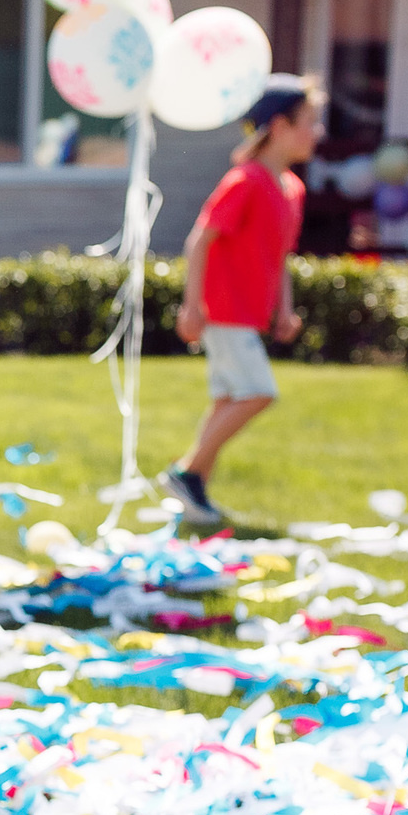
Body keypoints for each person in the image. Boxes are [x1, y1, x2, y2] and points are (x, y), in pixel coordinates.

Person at [162, 74, 323, 533]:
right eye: (309, 122)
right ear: (279, 125)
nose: (317, 133)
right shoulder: (246, 180)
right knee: (258, 392)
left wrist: (284, 309)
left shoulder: (292, 189)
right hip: (224, 311)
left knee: (228, 400)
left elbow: (280, 257)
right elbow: (200, 241)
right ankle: (186, 472)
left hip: (249, 315)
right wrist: (192, 306)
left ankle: (193, 498)